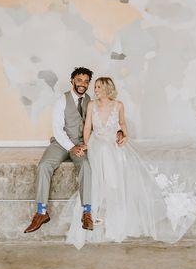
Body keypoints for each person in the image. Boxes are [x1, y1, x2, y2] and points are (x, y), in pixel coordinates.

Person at [64, 77, 196, 249]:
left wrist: (123, 135)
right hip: (97, 143)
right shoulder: (91, 105)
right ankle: (99, 207)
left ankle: (110, 209)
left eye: (99, 87)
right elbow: (87, 127)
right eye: (95, 86)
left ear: (107, 89)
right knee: (103, 153)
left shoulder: (118, 105)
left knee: (112, 158)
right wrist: (87, 145)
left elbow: (123, 124)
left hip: (112, 142)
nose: (95, 89)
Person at [24, 69, 125, 234]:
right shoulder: (61, 101)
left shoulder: (91, 101)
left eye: (86, 81)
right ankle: (41, 212)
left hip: (82, 144)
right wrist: (71, 147)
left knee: (86, 165)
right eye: (79, 80)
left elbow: (107, 119)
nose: (83, 84)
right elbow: (57, 129)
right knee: (43, 166)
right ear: (72, 80)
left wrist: (119, 131)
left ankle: (87, 212)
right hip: (61, 143)